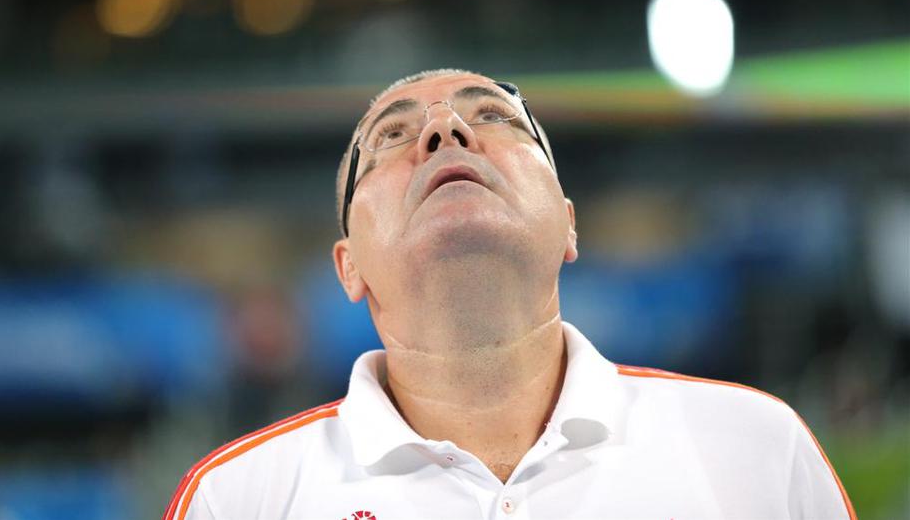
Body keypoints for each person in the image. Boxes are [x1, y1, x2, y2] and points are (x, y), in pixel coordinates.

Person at [165, 69, 855, 520]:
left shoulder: (757, 445)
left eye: (494, 116)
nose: (444, 131)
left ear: (568, 224)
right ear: (349, 267)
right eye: (391, 135)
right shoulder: (238, 497)